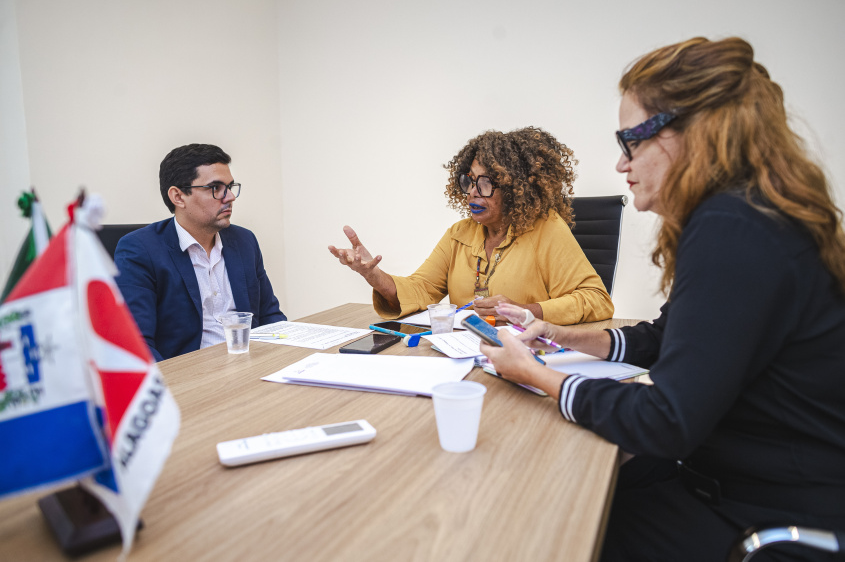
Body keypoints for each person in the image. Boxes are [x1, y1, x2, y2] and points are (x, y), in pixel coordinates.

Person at [481, 37, 845, 561]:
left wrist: (537, 374)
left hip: (768, 512)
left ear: (693, 134)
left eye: (631, 141)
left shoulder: (732, 227)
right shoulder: (751, 215)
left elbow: (666, 419)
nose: (621, 163)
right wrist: (563, 337)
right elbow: (661, 336)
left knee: (539, 527)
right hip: (741, 474)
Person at [328, 127, 614, 326]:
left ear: (516, 189)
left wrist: (528, 312)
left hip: (529, 356)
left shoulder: (547, 230)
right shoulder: (459, 234)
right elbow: (421, 289)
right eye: (469, 181)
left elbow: (597, 300)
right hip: (467, 354)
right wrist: (374, 275)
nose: (472, 192)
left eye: (486, 182)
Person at [115, 144, 285, 362]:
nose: (230, 196)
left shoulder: (244, 241)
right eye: (216, 187)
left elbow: (271, 317)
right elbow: (138, 345)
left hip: (250, 368)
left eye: (230, 186)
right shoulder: (140, 250)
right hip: (189, 380)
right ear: (178, 196)